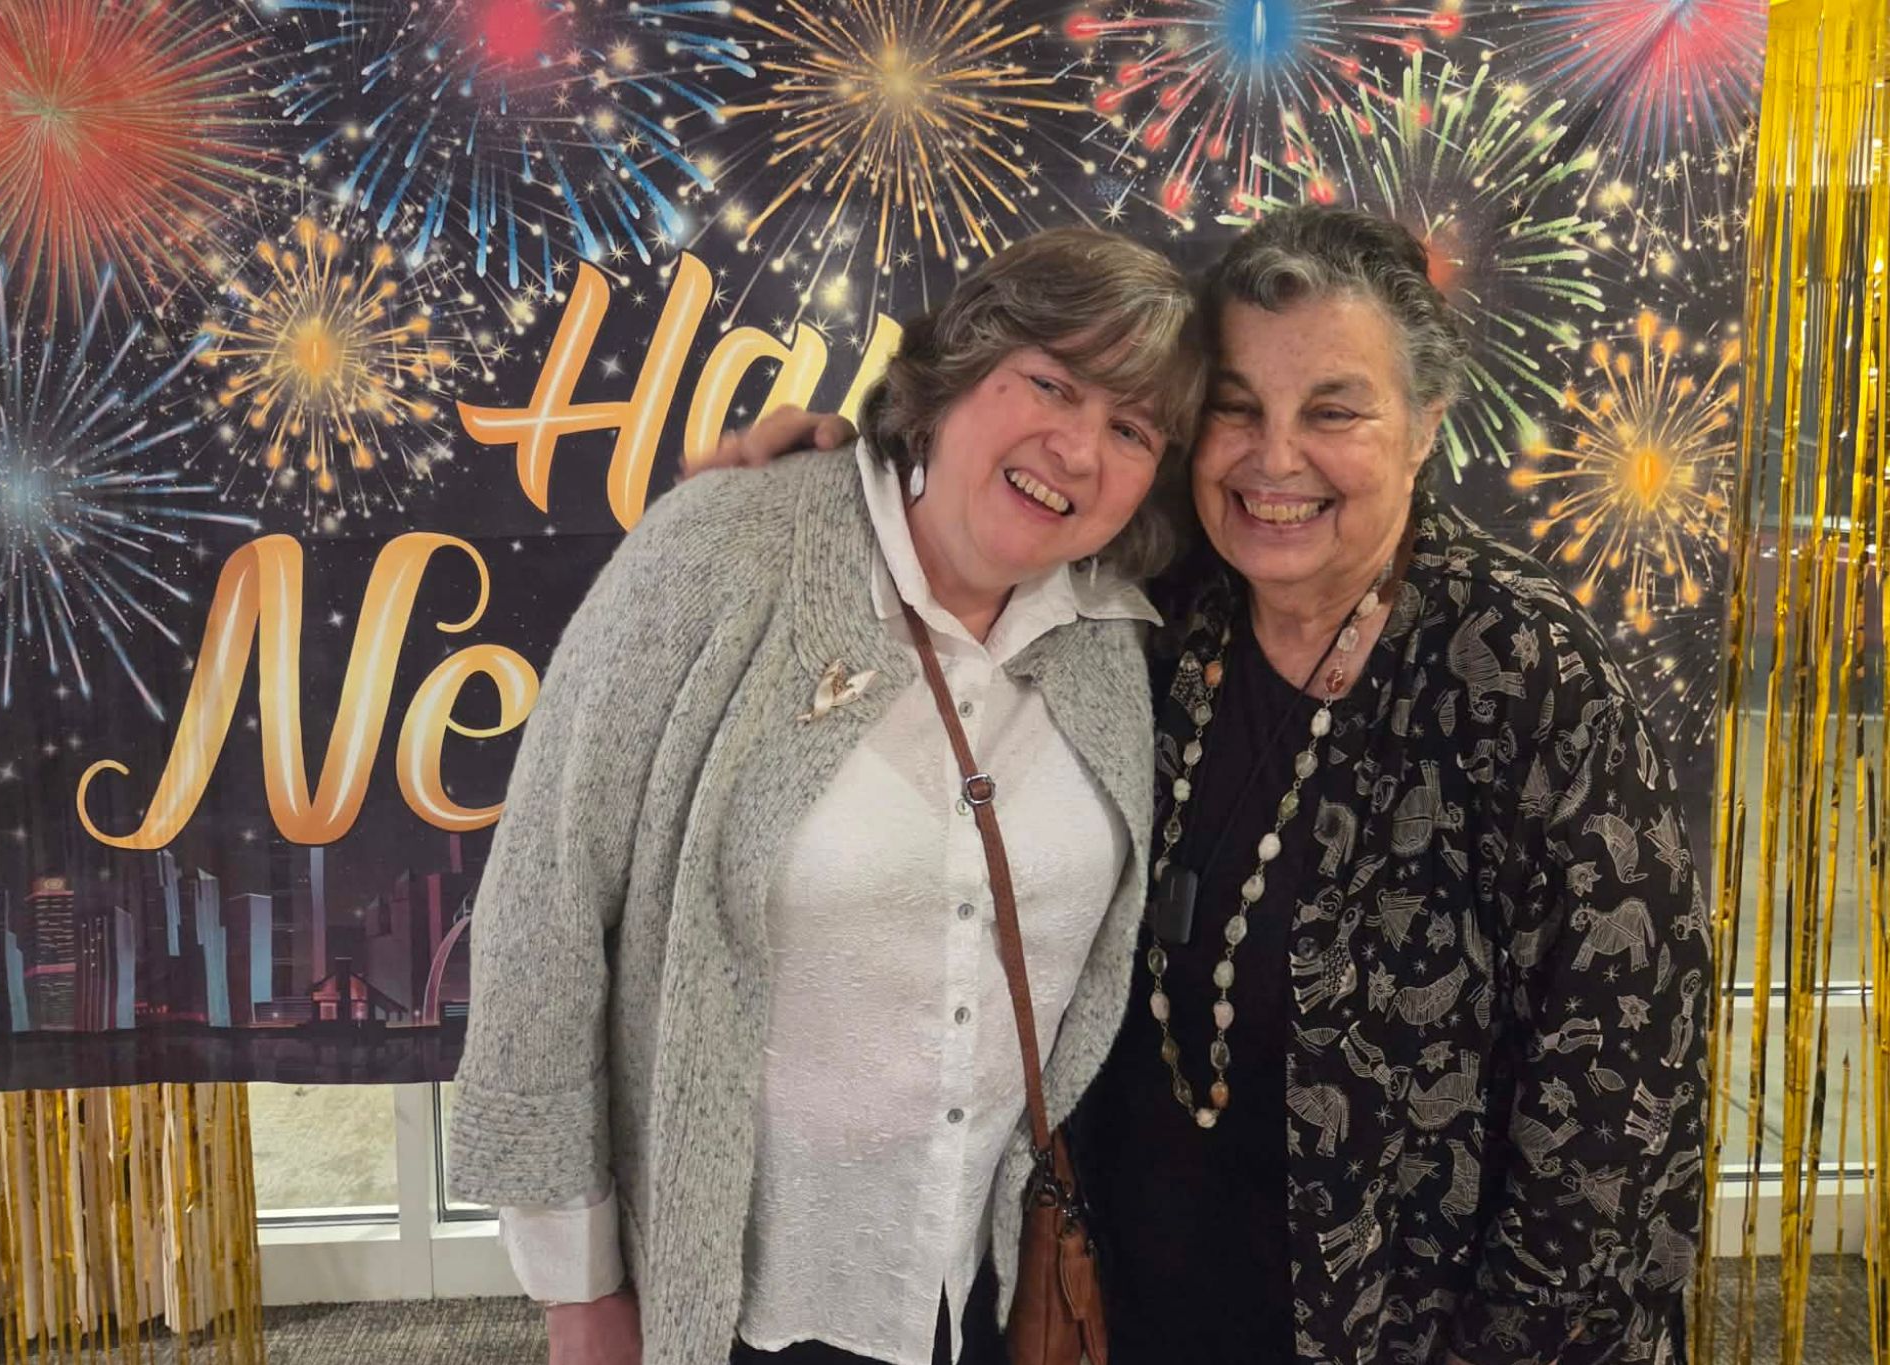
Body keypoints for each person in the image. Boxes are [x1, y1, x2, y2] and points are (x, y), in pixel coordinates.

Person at [698, 205, 1711, 1365]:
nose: (1275, 459)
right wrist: (813, 489)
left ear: (1423, 428)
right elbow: (944, 534)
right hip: (1127, 1313)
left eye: (1332, 410)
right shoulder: (1150, 617)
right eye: (1235, 409)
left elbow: (1615, 1105)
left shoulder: (1524, 676)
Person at [448, 226, 1209, 1365]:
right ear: (955, 372)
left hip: (982, 1287)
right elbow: (542, 913)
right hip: (733, 1297)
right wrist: (576, 1286)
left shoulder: (1121, 633)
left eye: (1131, 427)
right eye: (1050, 382)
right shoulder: (723, 549)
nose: (1078, 447)